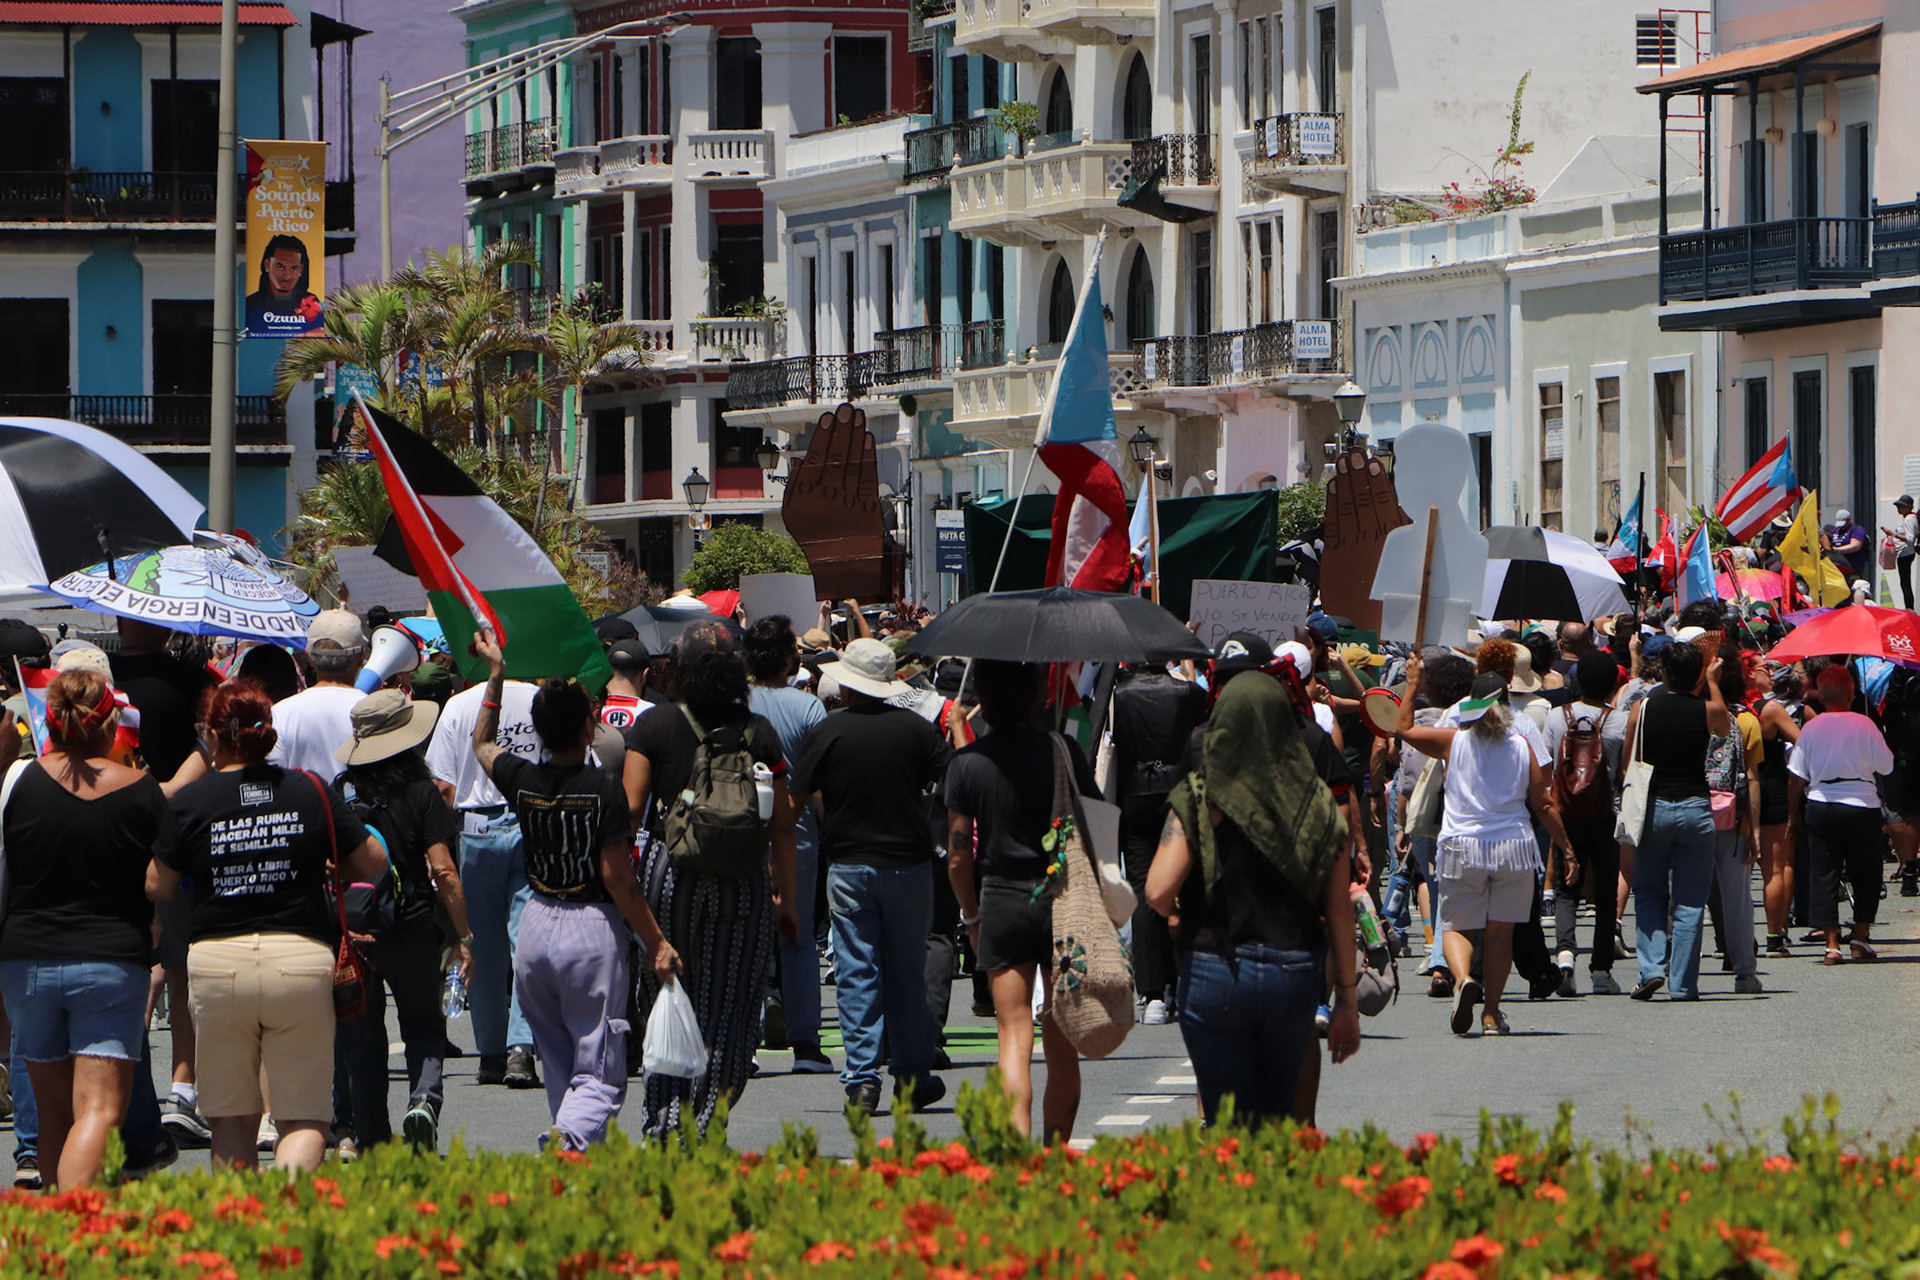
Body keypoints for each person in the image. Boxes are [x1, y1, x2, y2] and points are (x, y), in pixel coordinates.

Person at [150, 680, 386, 1173]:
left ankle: (243, 1219)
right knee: (303, 1119)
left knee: (230, 1120)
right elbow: (373, 861)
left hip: (218, 962)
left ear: (212, 736)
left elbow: (158, 885)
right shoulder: (308, 789)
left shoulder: (192, 800)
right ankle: (287, 1202)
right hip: (298, 959)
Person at [469, 635, 672, 1150]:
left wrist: (495, 676)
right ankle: (569, 1138)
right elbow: (618, 878)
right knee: (600, 1067)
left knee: (558, 1058)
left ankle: (577, 1162)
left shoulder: (522, 778)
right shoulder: (604, 789)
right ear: (588, 728)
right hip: (591, 928)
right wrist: (656, 942)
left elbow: (482, 745)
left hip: (536, 925)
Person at [1146, 666, 1360, 1125]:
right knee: (1278, 1119)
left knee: (1226, 1123)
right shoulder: (1319, 806)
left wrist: (1180, 910)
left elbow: (1158, 891)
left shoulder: (1200, 795)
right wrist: (1346, 1000)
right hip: (1293, 970)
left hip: (1214, 965)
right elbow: (1340, 911)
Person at [0, 671, 175, 1188]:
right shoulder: (141, 789)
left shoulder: (19, 782)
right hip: (109, 961)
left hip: (26, 962)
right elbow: (159, 882)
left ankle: (59, 1225)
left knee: (54, 1113)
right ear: (110, 725)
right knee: (99, 1110)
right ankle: (77, 1219)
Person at [625, 623, 800, 1136]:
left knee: (667, 996)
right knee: (730, 1005)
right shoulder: (759, 732)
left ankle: (664, 1122)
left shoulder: (654, 725)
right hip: (742, 881)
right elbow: (783, 825)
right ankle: (703, 1123)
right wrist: (786, 899)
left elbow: (630, 811)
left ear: (681, 670)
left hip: (671, 876)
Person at [791, 638, 949, 1116]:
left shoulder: (829, 731)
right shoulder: (916, 729)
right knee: (907, 972)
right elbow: (952, 777)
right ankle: (912, 1074)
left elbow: (796, 796)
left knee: (857, 973)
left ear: (847, 685)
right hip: (909, 863)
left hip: (849, 864)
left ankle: (862, 1079)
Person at [944, 662, 1097, 1141]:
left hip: (1002, 898)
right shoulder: (1063, 751)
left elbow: (958, 855)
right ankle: (1055, 1150)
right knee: (1061, 1035)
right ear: (1036, 695)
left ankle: (1015, 1154)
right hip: (1062, 898)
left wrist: (971, 916)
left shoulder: (968, 763)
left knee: (1012, 1033)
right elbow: (1097, 822)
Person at [1398, 663, 1573, 1036]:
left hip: (1461, 846)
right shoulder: (1522, 746)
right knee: (1499, 936)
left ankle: (1463, 979)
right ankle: (1492, 1014)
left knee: (1456, 925)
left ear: (1471, 706)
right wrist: (1567, 849)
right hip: (1514, 848)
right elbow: (1544, 804)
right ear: (1507, 708)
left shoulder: (1453, 741)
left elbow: (1404, 729)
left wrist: (1412, 684)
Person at [333, 690, 472, 1153]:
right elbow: (443, 870)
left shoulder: (340, 791)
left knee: (362, 1038)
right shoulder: (421, 793)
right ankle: (424, 1102)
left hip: (354, 933)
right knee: (424, 1025)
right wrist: (464, 936)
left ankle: (372, 1137)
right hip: (412, 927)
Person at [108, 619, 215, 1152]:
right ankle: (181, 1090)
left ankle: (146, 1091)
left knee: (141, 965)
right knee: (177, 968)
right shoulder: (192, 677)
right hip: (175, 833)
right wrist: (169, 789)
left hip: (110, 827)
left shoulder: (96, 675)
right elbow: (210, 742)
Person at [426, 664, 544, 1089]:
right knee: (527, 942)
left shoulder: (458, 705)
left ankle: (492, 1054)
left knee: (480, 945)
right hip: (531, 820)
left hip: (475, 830)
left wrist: (436, 849)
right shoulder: (537, 699)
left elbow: (443, 788)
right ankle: (521, 1050)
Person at [742, 615, 832, 1074]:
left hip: (742, 835)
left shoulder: (736, 705)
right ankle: (807, 1044)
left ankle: (745, 1042)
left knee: (745, 935)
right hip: (798, 837)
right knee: (798, 935)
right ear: (785, 659)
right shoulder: (808, 707)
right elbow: (818, 782)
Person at [1621, 638, 1729, 1002]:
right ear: (1696, 674)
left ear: (1664, 672)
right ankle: (1683, 984)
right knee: (1691, 901)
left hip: (1653, 806)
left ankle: (1651, 968)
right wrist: (1711, 681)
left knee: (1649, 892)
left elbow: (1627, 760)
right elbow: (1724, 727)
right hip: (1695, 806)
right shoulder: (1706, 709)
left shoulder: (1643, 708)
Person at [1107, 661, 1208, 1025]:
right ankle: (1180, 978)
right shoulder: (1187, 692)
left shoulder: (1120, 694)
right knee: (1184, 884)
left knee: (1142, 889)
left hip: (1134, 793)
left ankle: (1151, 993)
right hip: (1177, 793)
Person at [1788, 664, 1894, 965]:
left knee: (1824, 872)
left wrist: (1794, 814)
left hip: (1821, 803)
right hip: (1861, 804)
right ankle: (1860, 936)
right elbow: (1886, 766)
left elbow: (1796, 776)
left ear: (1821, 695)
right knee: (1867, 872)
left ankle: (1831, 944)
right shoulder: (1865, 724)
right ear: (1851, 693)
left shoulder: (1811, 728)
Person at [1542, 651, 1627, 996]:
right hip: (1605, 814)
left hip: (1565, 814)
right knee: (1605, 893)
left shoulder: (1556, 717)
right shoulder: (1619, 721)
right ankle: (1602, 970)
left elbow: (1548, 767)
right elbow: (1623, 771)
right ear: (1611, 686)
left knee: (1567, 889)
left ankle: (1565, 956)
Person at [1702, 647, 1764, 995]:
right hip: (1733, 816)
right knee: (1737, 899)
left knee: (1685, 897)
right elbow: (1751, 778)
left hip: (1694, 810)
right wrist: (1754, 829)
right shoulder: (1747, 721)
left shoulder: (1693, 714)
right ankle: (1745, 972)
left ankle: (1680, 972)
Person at [269, 611, 367, 781]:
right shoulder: (374, 710)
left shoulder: (280, 713)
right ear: (361, 657)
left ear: (309, 657)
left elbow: (274, 776)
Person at [1755, 665, 1804, 955]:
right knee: (1777, 867)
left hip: (1732, 789)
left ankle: (1729, 939)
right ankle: (1776, 934)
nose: (1769, 672)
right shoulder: (1770, 709)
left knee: (1732, 870)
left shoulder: (1721, 706)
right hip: (1770, 785)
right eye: (1761, 668)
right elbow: (1804, 741)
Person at [244, 233, 322, 336]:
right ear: (267, 264)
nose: (287, 276)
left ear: (301, 269)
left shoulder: (311, 302)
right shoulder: (252, 303)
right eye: (280, 267)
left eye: (294, 269)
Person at [1885, 495, 1918, 611]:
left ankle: (1909, 608)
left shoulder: (1909, 519)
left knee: (1905, 583)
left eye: (1901, 506)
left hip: (1906, 554)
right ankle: (1909, 607)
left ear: (1909, 507)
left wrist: (1893, 534)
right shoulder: (1908, 518)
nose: (1898, 508)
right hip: (1904, 554)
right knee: (1904, 582)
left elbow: (1910, 539)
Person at [1825, 508, 1868, 581]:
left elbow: (1855, 546)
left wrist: (1837, 550)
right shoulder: (1836, 530)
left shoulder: (1856, 529)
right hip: (1838, 566)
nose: (1842, 526)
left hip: (1853, 565)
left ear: (1849, 519)